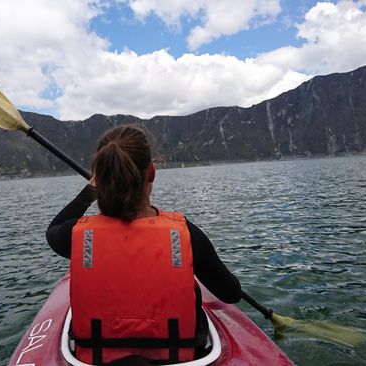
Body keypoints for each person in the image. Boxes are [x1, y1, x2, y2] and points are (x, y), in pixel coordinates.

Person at [47, 125, 241, 365]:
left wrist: (90, 191)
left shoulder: (77, 236)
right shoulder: (185, 235)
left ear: (99, 179)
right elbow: (231, 293)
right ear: (151, 172)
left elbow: (53, 230)